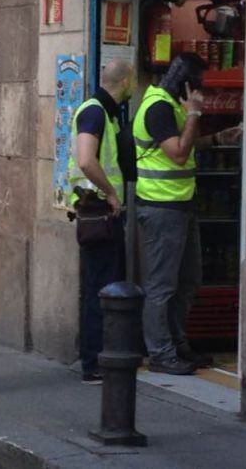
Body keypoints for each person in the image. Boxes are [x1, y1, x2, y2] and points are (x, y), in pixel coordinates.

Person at [133, 53, 241, 375]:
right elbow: (179, 154)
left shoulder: (168, 105)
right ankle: (161, 353)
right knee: (161, 286)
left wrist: (218, 138)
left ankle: (178, 345)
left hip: (181, 205)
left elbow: (185, 145)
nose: (201, 90)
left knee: (188, 281)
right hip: (162, 207)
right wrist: (194, 113)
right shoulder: (158, 108)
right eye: (198, 84)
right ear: (185, 83)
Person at [67, 59, 137, 384]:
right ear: (126, 81)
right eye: (133, 80)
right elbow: (86, 159)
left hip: (99, 211)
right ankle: (94, 362)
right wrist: (111, 193)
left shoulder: (104, 113)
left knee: (102, 285)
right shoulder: (95, 111)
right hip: (98, 212)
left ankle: (96, 358)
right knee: (102, 287)